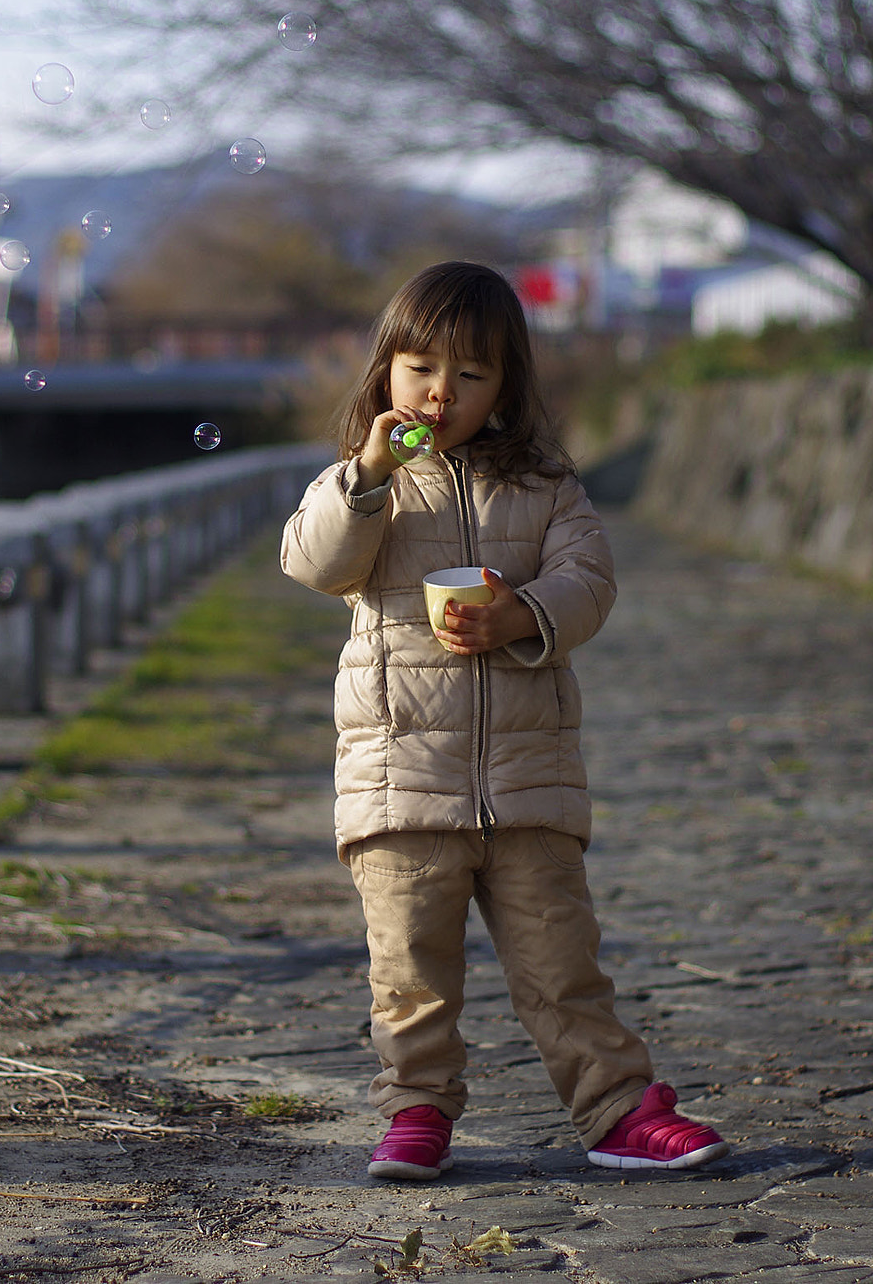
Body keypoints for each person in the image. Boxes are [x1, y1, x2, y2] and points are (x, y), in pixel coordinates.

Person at [280, 260, 729, 1180]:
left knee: (564, 970)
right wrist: (367, 473)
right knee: (410, 977)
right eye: (421, 370)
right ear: (385, 376)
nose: (442, 393)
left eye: (471, 376)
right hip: (402, 785)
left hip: (529, 786)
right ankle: (416, 1109)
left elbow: (591, 579)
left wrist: (522, 613)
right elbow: (314, 562)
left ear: (507, 387)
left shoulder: (548, 487)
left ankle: (617, 1111)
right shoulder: (366, 486)